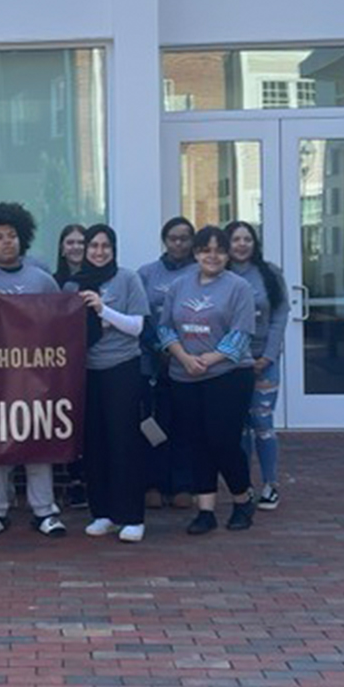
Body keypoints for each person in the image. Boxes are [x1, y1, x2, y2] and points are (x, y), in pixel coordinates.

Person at [0, 202, 66, 539]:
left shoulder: (43, 280)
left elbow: (60, 324)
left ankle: (44, 511)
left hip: (34, 377)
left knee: (37, 440)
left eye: (12, 236)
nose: (7, 242)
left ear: (23, 239)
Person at [158, 225, 258, 535]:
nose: (211, 256)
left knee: (223, 440)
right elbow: (164, 328)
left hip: (228, 375)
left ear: (227, 254)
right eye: (205, 250)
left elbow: (241, 334)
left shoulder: (238, 287)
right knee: (197, 442)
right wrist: (184, 358)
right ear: (196, 252)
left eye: (219, 250)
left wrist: (209, 359)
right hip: (184, 375)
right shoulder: (179, 285)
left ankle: (243, 498)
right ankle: (206, 511)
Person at [64, 226, 149, 543]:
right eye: (93, 246)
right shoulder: (73, 284)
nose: (99, 251)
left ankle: (132, 516)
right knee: (95, 443)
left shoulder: (127, 279)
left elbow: (137, 327)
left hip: (121, 368)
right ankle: (103, 513)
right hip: (87, 371)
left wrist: (103, 309)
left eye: (105, 246)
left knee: (124, 442)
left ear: (113, 249)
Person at [226, 220, 289, 511]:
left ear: (255, 243)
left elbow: (279, 316)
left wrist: (269, 355)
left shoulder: (270, 273)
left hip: (265, 360)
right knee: (238, 426)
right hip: (231, 363)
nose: (241, 244)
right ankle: (244, 486)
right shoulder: (219, 275)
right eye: (236, 239)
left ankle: (270, 483)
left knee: (262, 421)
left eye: (247, 239)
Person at [137, 216, 197, 509]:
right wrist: (160, 346)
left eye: (184, 238)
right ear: (165, 240)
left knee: (184, 423)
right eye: (173, 238)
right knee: (154, 423)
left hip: (189, 361)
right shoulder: (147, 273)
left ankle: (183, 484)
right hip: (153, 361)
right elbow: (140, 315)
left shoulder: (201, 272)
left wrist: (181, 351)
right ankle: (153, 483)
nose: (179, 243)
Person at [52, 223, 90, 509]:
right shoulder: (53, 282)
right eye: (70, 242)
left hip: (97, 360)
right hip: (65, 363)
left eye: (81, 242)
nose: (76, 247)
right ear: (62, 248)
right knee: (70, 421)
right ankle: (75, 482)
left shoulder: (103, 278)